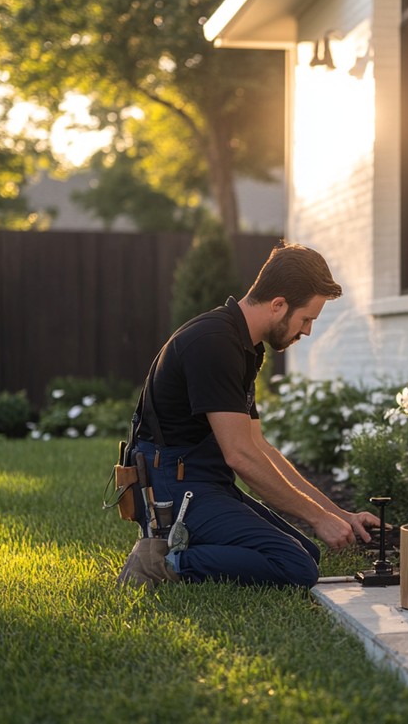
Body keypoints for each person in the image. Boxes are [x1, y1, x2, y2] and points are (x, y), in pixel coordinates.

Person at [116, 243, 381, 589]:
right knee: (294, 566)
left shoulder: (244, 346)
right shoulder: (213, 343)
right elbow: (239, 456)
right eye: (306, 319)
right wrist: (318, 519)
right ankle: (164, 559)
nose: (306, 332)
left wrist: (335, 515)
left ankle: (190, 546)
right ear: (278, 305)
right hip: (174, 488)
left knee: (305, 555)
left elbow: (259, 447)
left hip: (204, 482)